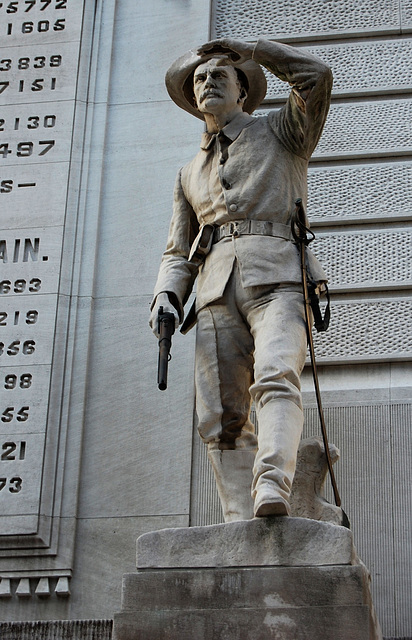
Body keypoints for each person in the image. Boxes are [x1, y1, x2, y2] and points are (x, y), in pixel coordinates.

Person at [150, 37, 332, 521]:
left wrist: (254, 48)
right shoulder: (189, 171)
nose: (207, 81)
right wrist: (167, 296)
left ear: (243, 92)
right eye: (199, 79)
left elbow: (317, 77)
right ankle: (237, 516)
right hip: (213, 292)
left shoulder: (284, 130)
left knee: (276, 377)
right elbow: (178, 250)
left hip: (280, 277)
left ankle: (272, 483)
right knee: (220, 416)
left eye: (219, 75)